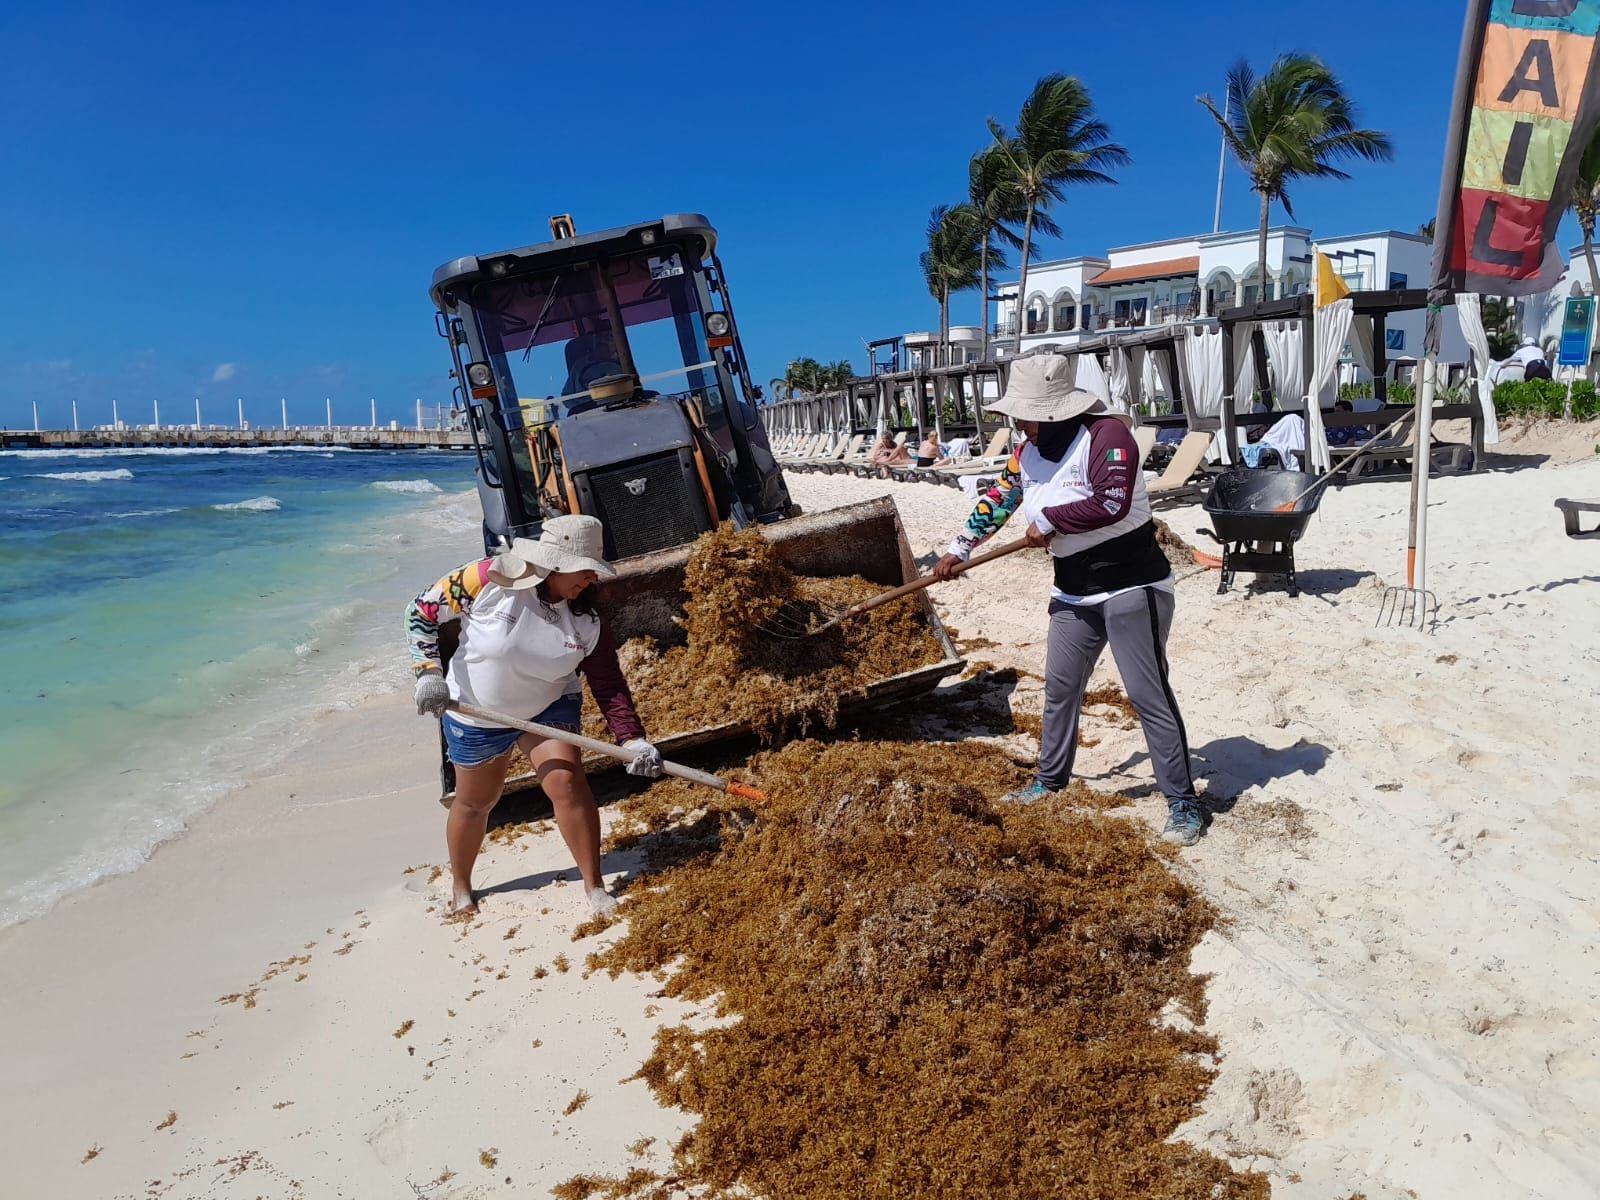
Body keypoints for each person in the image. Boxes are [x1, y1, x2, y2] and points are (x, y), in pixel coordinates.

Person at [931, 354, 1205, 846]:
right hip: (1073, 591)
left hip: (1132, 585)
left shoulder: (1108, 436)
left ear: (1057, 411)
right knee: (1061, 690)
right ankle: (1049, 781)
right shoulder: (1025, 451)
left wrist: (1052, 520)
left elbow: (1111, 502)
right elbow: (1000, 498)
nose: (1020, 424)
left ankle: (1183, 803)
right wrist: (959, 548)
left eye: (1027, 415)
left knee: (1147, 694)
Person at [406, 515, 663, 917]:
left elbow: (608, 685)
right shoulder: (488, 578)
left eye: (594, 571)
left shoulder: (588, 620)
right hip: (477, 711)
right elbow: (420, 612)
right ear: (555, 564)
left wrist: (632, 739)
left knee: (567, 782)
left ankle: (595, 886)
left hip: (548, 705)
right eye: (584, 570)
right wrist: (428, 674)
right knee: (476, 802)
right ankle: (461, 886)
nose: (592, 579)